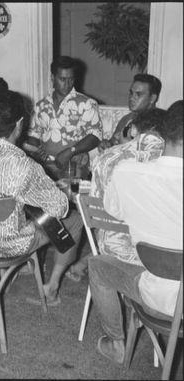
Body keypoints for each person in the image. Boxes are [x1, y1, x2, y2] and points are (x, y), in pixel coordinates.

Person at [0, 91, 84, 306]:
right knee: (74, 221)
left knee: (22, 210)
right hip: (7, 246)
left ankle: (21, 268)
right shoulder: (24, 165)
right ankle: (51, 288)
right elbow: (60, 208)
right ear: (20, 124)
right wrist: (57, 190)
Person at [88, 100, 183, 364]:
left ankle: (116, 344)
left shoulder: (127, 171)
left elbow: (113, 211)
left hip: (159, 298)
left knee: (97, 265)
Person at [67, 108, 167, 279]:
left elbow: (96, 208)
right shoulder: (169, 161)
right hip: (158, 253)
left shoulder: (106, 157)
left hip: (111, 248)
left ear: (133, 130)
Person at [24, 56, 103, 180]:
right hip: (45, 166)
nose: (67, 84)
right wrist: (36, 152)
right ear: (52, 78)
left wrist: (70, 151)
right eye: (62, 79)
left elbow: (96, 136)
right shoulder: (41, 106)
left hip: (74, 164)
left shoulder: (86, 103)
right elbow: (34, 135)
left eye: (71, 79)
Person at [99, 74, 162, 151]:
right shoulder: (127, 119)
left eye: (138, 94)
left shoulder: (160, 122)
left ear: (152, 98)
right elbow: (112, 143)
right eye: (131, 93)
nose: (132, 98)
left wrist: (127, 145)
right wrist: (107, 144)